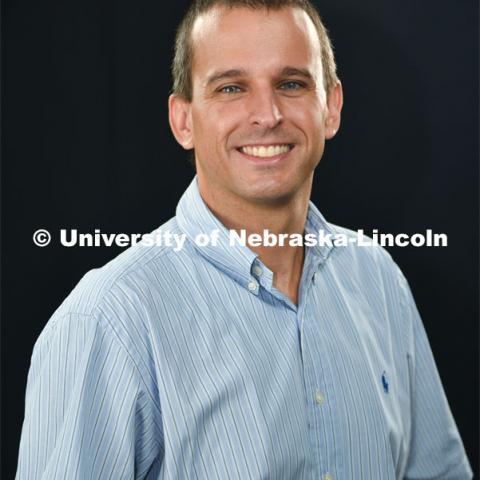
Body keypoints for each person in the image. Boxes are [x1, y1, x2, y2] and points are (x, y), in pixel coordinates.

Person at [16, 0, 473, 479]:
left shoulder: (378, 280)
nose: (267, 114)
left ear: (331, 108)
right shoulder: (110, 320)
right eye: (231, 88)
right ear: (183, 121)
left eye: (291, 84)